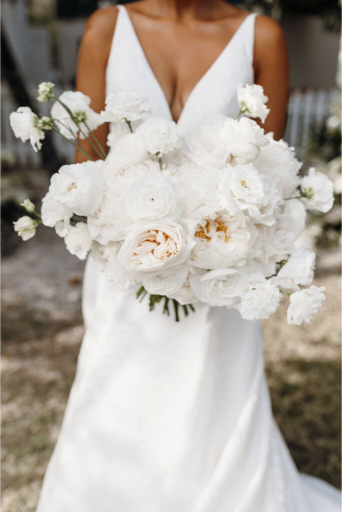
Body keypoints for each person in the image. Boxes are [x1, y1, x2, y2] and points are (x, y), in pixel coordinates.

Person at [36, 1, 341, 510]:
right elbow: (84, 172)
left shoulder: (259, 37)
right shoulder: (106, 29)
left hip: (221, 274)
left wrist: (212, 245)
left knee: (212, 403)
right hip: (123, 270)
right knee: (117, 396)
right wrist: (134, 234)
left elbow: (265, 179)